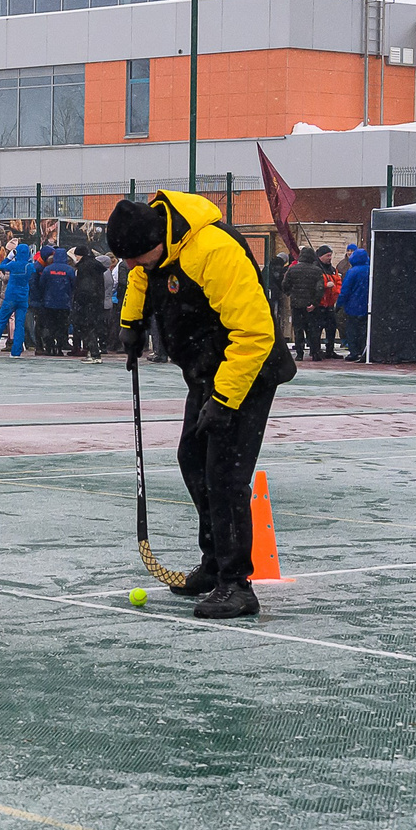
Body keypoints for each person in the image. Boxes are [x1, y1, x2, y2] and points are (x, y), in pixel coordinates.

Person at [108, 190, 295, 621]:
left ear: (156, 240)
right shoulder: (158, 248)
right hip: (208, 372)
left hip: (247, 371)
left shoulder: (214, 251)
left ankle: (236, 584)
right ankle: (213, 564)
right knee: (191, 459)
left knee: (224, 475)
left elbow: (253, 333)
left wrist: (226, 400)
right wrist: (131, 322)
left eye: (138, 257)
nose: (135, 267)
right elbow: (141, 278)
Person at [0, 238, 35, 356]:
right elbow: (33, 268)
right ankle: (16, 351)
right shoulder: (29, 266)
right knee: (19, 324)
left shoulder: (12, 264)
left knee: (1, 321)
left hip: (10, 296)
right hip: (23, 298)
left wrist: (10, 256)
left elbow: (2, 265)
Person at [284, 245, 325, 361]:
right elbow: (320, 288)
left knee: (298, 329)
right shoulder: (317, 271)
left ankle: (299, 353)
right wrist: (314, 303)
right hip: (310, 305)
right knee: (312, 329)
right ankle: (315, 352)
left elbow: (285, 285)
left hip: (296, 304)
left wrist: (291, 294)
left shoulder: (292, 269)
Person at [72, 245, 110, 361]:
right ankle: (94, 351)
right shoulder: (97, 267)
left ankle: (94, 353)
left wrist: (78, 300)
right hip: (97, 301)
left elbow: (84, 287)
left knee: (87, 327)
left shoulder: (84, 268)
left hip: (86, 302)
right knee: (93, 326)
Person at [36, 244, 75, 355]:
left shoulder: (48, 269)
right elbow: (73, 285)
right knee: (62, 326)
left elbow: (41, 284)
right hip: (64, 303)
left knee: (49, 326)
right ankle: (59, 347)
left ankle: (50, 346)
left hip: (49, 303)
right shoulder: (69, 270)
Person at [337, 244, 369, 361]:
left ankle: (354, 352)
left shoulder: (352, 271)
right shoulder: (370, 270)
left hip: (353, 306)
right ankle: (363, 350)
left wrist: (339, 303)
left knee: (352, 329)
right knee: (364, 330)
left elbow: (345, 290)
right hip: (367, 306)